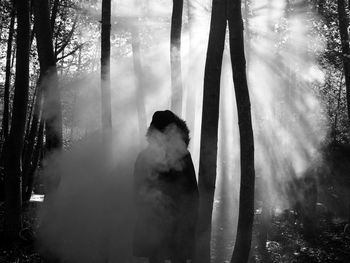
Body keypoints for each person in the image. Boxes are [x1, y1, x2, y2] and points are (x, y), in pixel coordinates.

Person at [133, 110, 199, 263]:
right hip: (160, 226)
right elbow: (193, 194)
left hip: (173, 226)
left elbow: (192, 194)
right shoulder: (146, 158)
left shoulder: (181, 157)